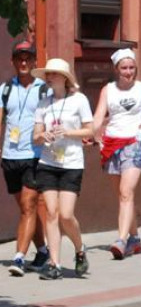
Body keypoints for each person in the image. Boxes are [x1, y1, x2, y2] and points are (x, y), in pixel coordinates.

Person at [91, 48, 141, 258]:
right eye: (124, 68)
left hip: (135, 143)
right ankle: (135, 239)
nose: (128, 72)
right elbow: (98, 117)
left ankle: (121, 241)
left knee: (126, 192)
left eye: (131, 68)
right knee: (122, 195)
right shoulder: (108, 90)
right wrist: (95, 134)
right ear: (116, 69)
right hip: (112, 144)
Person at [31, 59, 93, 280]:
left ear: (65, 78)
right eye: (47, 74)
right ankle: (54, 263)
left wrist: (67, 132)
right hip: (48, 163)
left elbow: (90, 130)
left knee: (66, 215)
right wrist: (42, 135)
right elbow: (36, 136)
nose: (49, 77)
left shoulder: (79, 100)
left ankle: (79, 248)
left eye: (54, 74)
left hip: (71, 164)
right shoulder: (44, 103)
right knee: (51, 212)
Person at [3, 41, 50, 276]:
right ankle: (42, 250)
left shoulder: (44, 89)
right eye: (19, 58)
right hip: (9, 156)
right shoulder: (5, 89)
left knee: (30, 205)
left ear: (34, 62)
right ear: (13, 61)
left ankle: (19, 257)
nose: (23, 62)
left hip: (34, 155)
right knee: (24, 207)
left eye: (28, 58)